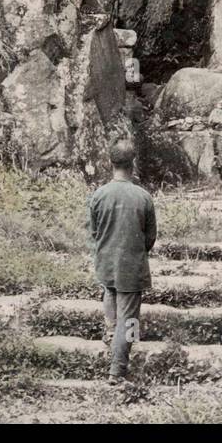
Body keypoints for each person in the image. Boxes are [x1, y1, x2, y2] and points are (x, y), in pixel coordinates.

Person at [85, 139, 156, 385]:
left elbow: (94, 233)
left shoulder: (99, 195)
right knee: (129, 317)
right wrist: (135, 251)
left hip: (106, 263)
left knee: (111, 297)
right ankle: (117, 370)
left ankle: (114, 337)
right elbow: (150, 237)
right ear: (132, 164)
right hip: (131, 265)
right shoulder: (143, 197)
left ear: (110, 163)